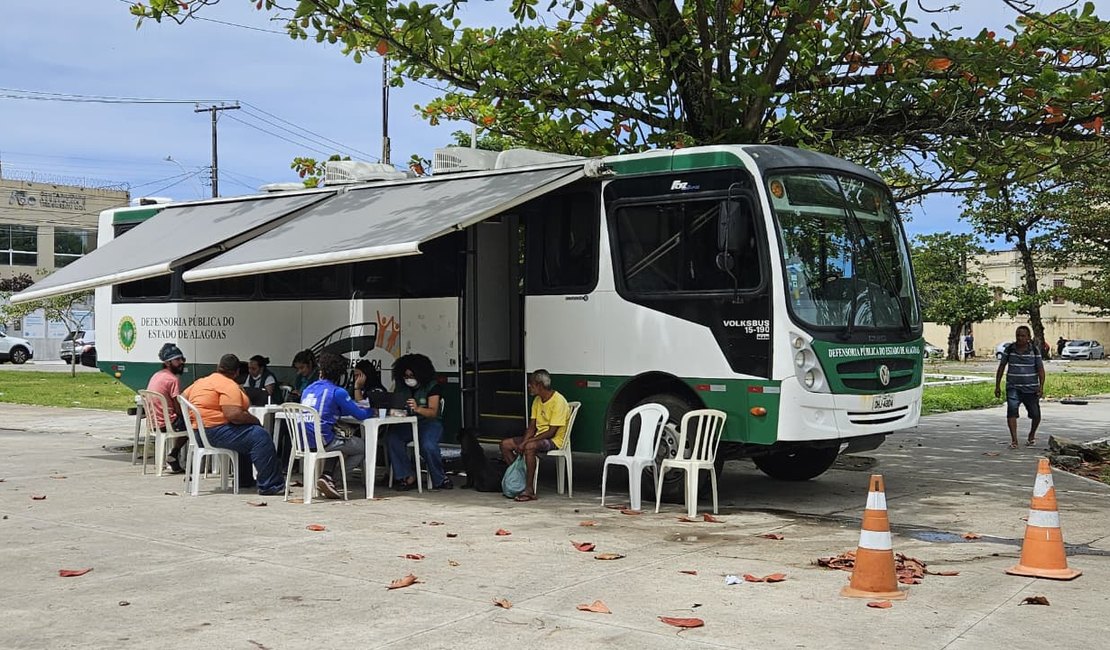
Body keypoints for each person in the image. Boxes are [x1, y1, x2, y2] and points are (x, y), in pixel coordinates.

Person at [182, 353, 285, 495]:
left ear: (218, 367)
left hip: (197, 433)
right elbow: (234, 415)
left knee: (246, 433)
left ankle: (244, 479)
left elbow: (182, 397)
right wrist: (255, 420)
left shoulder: (201, 382)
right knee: (260, 436)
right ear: (236, 372)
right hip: (214, 432)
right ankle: (271, 484)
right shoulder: (229, 385)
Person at [299, 352, 374, 499]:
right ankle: (332, 479)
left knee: (337, 439)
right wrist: (373, 409)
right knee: (363, 448)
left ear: (321, 371)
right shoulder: (337, 392)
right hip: (322, 441)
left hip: (302, 441)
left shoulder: (308, 389)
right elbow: (360, 415)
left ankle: (326, 476)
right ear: (340, 374)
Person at [499, 369, 571, 502]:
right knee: (505, 444)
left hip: (553, 440)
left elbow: (551, 432)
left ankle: (529, 489)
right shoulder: (537, 400)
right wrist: (523, 441)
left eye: (531, 384)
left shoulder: (559, 401)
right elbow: (532, 426)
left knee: (530, 447)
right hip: (537, 436)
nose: (529, 387)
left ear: (539, 385)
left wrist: (527, 442)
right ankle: (519, 479)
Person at [386, 353, 451, 491]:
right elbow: (396, 403)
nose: (408, 379)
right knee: (393, 438)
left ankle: (439, 478)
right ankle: (407, 475)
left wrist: (417, 409)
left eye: (411, 375)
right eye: (406, 376)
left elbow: (433, 412)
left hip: (429, 423)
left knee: (428, 445)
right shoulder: (401, 385)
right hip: (407, 423)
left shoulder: (432, 387)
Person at [994, 325, 1046, 450]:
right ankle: (1014, 440)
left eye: (1023, 336)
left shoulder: (1034, 350)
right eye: (1018, 335)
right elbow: (1001, 367)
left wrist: (1041, 387)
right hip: (1013, 387)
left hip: (1031, 388)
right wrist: (997, 386)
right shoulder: (1010, 349)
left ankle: (1031, 435)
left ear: (1028, 337)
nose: (1020, 338)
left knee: (1035, 415)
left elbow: (1040, 369)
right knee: (1012, 412)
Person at [146, 342, 187, 473]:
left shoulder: (156, 375)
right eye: (177, 360)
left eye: (182, 359)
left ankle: (174, 458)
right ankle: (176, 455)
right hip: (167, 423)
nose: (181, 362)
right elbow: (177, 406)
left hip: (154, 423)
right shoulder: (172, 380)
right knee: (195, 425)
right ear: (168, 363)